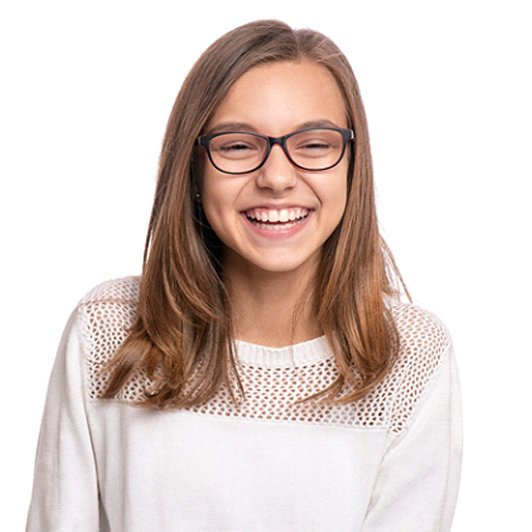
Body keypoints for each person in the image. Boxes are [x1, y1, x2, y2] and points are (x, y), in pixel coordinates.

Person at [26, 19, 462, 532]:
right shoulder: (108, 332)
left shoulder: (410, 355)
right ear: (192, 167)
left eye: (315, 144)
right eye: (237, 145)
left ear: (352, 164)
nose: (277, 177)